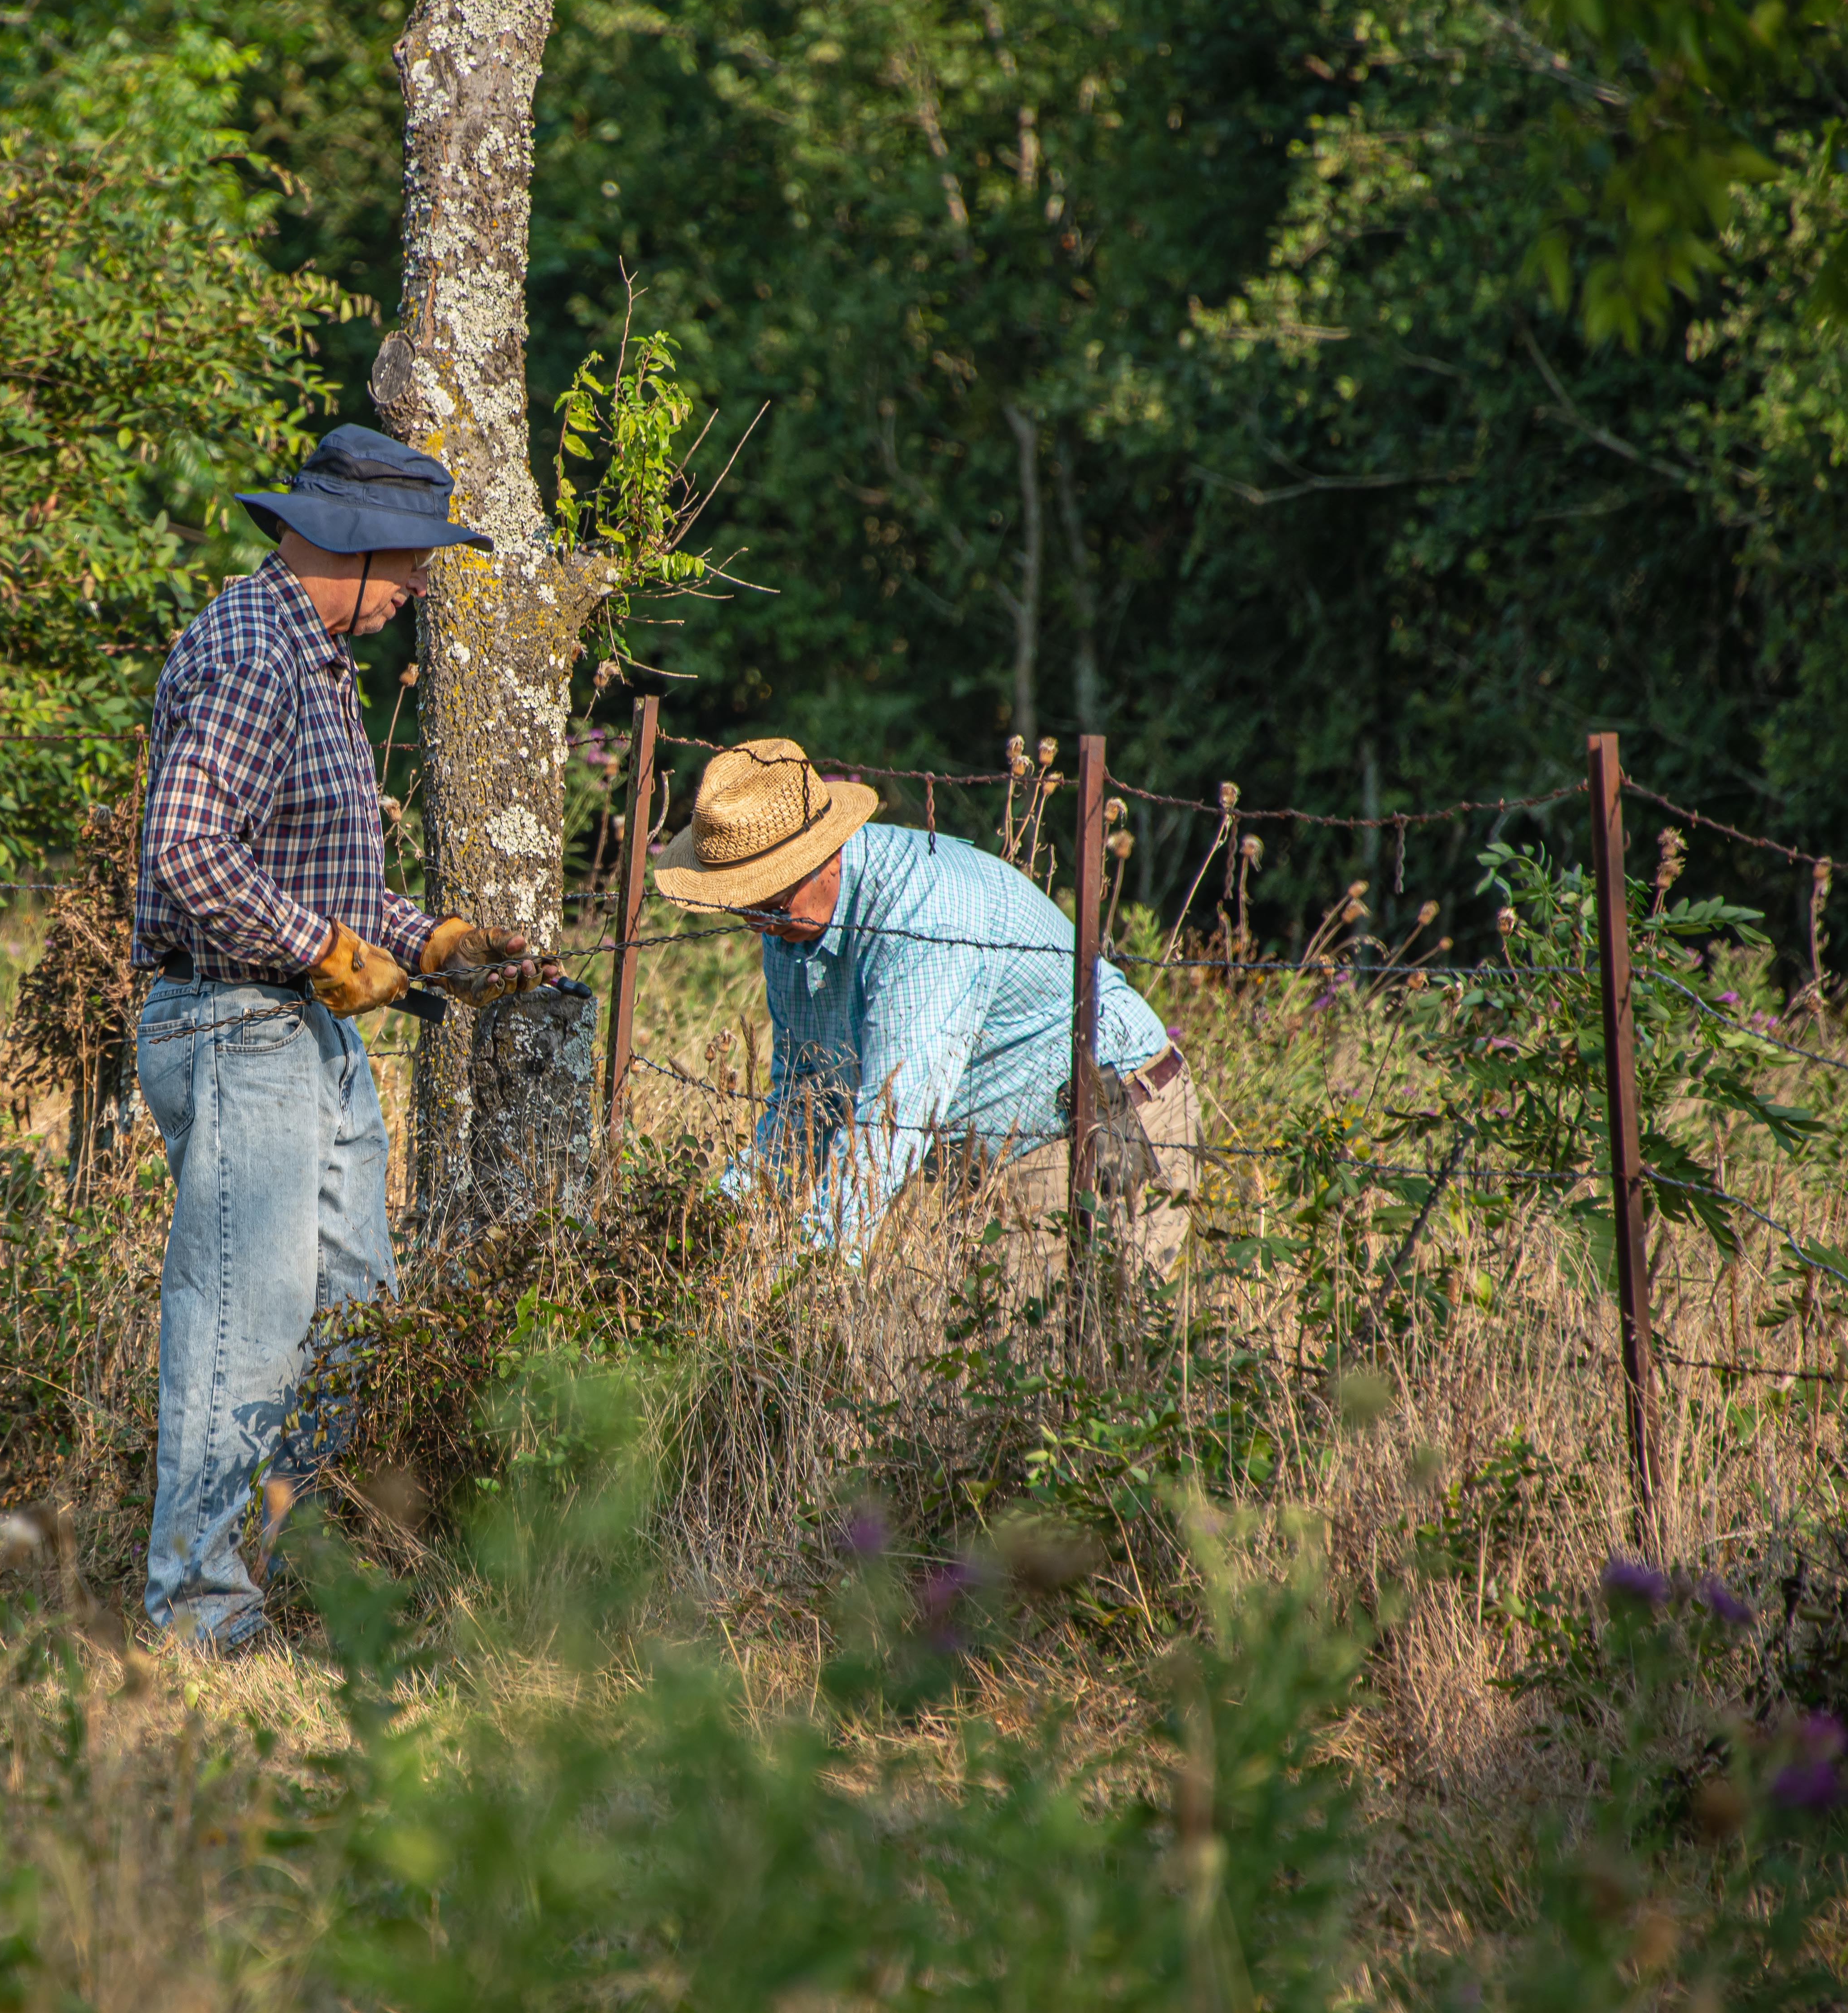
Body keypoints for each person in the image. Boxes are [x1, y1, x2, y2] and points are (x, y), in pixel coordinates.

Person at [133, 425, 550, 1652]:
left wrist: (435, 946)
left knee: (355, 1316)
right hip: (235, 1023)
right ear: (357, 548)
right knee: (239, 1334)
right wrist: (321, 952)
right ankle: (196, 1627)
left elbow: (326, 889)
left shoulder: (315, 663)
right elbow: (188, 853)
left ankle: (259, 1568)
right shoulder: (252, 650)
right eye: (415, 559)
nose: (423, 584)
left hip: (301, 1033)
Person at [652, 738, 1198, 1276]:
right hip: (998, 1149)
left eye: (768, 902)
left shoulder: (924, 921)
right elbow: (805, 1097)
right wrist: (714, 1229)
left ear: (826, 856)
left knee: (1054, 1350)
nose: (758, 926)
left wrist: (809, 1277)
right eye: (739, 907)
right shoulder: (787, 926)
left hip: (1099, 1119)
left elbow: (890, 1123)